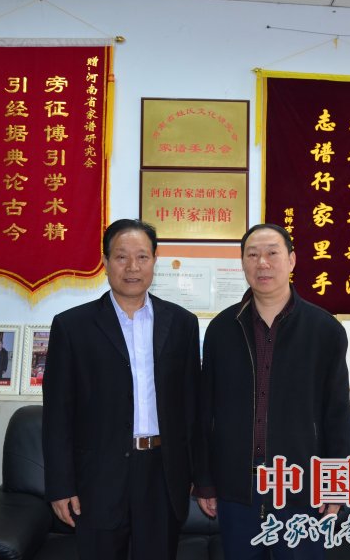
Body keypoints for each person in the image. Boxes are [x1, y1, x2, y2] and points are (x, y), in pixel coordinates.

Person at [43, 219, 200, 560]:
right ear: (105, 262)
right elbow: (57, 414)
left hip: (162, 472)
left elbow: (192, 406)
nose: (132, 267)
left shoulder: (182, 323)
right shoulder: (72, 326)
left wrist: (197, 473)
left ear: (154, 261)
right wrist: (60, 485)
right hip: (98, 476)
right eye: (121, 257)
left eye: (142, 257)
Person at [194, 223, 350, 560]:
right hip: (237, 486)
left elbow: (336, 415)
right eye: (252, 255)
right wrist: (205, 480)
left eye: (272, 253)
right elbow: (205, 412)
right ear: (243, 263)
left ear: (291, 260)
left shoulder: (325, 330)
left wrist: (336, 484)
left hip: (301, 484)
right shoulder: (222, 329)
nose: (262, 263)